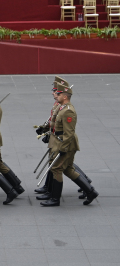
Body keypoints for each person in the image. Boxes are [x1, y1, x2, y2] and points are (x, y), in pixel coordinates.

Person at [41, 79, 99, 207]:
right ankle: (90, 192)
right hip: (60, 141)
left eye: (59, 94)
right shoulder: (62, 107)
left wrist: (63, 148)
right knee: (67, 169)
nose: (55, 95)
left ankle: (55, 199)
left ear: (65, 96)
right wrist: (45, 129)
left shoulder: (68, 111)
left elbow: (69, 133)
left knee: (56, 169)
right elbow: (55, 123)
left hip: (65, 143)